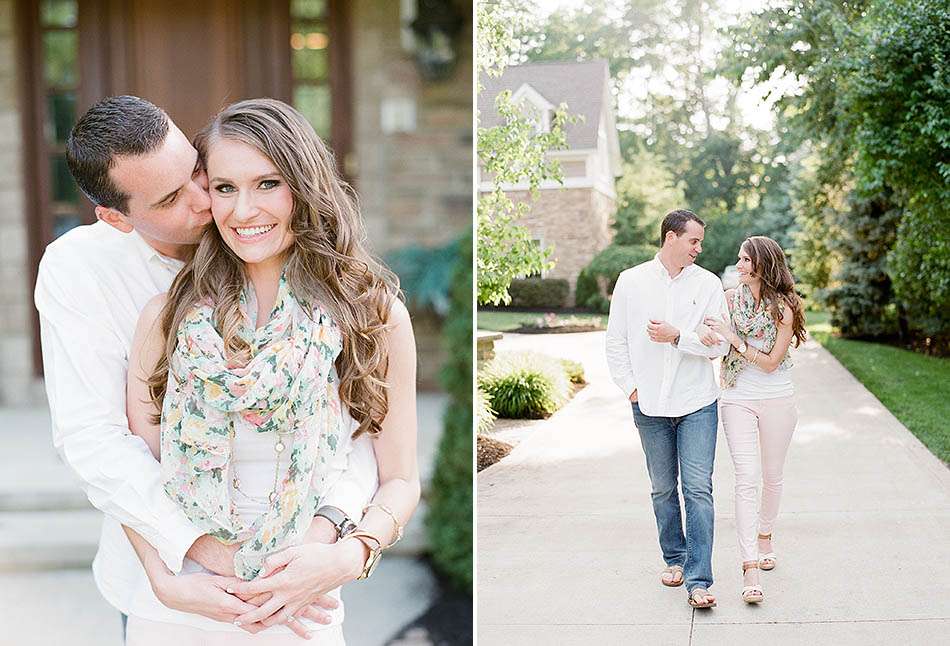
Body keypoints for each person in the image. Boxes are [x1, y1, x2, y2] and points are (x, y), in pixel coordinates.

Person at [31, 95, 403, 642]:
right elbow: (100, 441)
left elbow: (357, 431)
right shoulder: (82, 273)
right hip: (173, 585)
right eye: (170, 199)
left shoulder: (308, 274)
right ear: (116, 217)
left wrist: (336, 545)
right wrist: (181, 567)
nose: (208, 203)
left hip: (298, 581)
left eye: (197, 173)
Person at [605, 209, 730, 609]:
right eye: (693, 241)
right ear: (671, 237)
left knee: (698, 490)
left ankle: (699, 579)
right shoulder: (631, 281)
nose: (699, 249)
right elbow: (616, 341)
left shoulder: (708, 284)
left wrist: (680, 337)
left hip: (697, 403)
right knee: (662, 489)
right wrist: (631, 388)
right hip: (650, 405)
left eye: (700, 243)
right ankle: (674, 558)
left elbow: (721, 344)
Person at [702, 236, 806, 604]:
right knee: (746, 478)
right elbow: (708, 335)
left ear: (763, 264)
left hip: (777, 395)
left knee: (772, 475)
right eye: (740, 258)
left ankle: (765, 535)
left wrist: (734, 338)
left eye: (746, 259)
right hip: (736, 396)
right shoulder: (730, 299)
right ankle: (750, 566)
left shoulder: (785, 308)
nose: (740, 264)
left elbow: (772, 362)